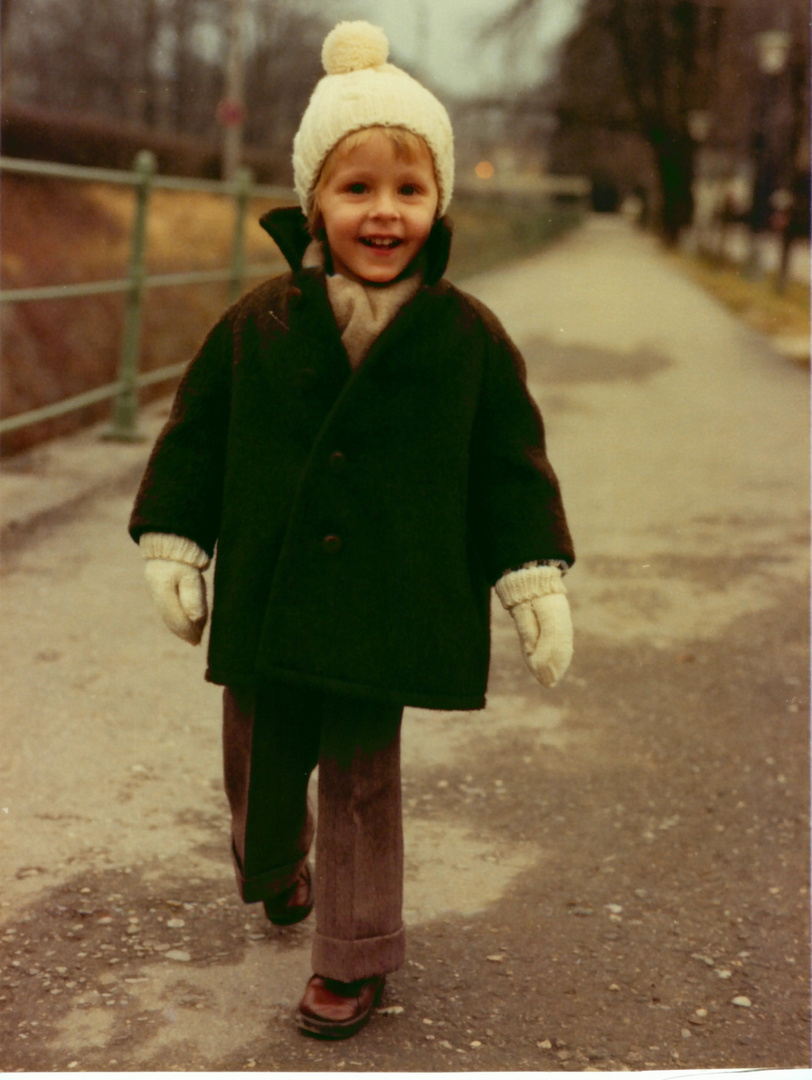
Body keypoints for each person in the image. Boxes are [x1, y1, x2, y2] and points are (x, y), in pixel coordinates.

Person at [129, 20, 575, 1040]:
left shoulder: (465, 339)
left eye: (408, 190)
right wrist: (172, 542)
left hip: (388, 602)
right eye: (356, 187)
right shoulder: (257, 324)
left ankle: (354, 954)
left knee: (364, 779)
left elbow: (510, 467)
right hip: (273, 591)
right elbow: (196, 436)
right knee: (259, 758)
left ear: (438, 200)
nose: (384, 212)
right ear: (312, 202)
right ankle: (278, 862)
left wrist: (533, 576)